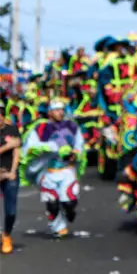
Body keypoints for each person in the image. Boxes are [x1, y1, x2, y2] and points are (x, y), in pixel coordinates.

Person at [21, 99, 84, 238]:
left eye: (62, 109)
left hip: (67, 170)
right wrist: (51, 147)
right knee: (52, 204)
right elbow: (31, 148)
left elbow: (79, 143)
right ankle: (58, 227)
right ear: (49, 112)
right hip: (48, 172)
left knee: (69, 202)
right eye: (56, 110)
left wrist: (75, 153)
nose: (60, 112)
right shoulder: (41, 128)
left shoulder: (71, 126)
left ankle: (69, 211)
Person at [0, 109, 20, 254]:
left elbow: (17, 150)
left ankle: (6, 235)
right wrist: (7, 146)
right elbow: (12, 145)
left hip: (9, 174)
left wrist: (13, 171)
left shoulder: (12, 129)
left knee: (11, 211)